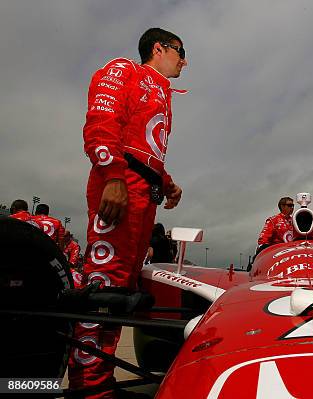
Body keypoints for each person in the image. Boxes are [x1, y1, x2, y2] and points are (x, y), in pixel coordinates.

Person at [69, 27, 187, 398]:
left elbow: (145, 148)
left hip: (144, 193)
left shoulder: (162, 92)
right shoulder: (125, 70)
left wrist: (166, 183)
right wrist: (113, 177)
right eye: (180, 52)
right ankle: (89, 389)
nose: (184, 61)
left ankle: (101, 384)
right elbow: (101, 123)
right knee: (104, 287)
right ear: (159, 48)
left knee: (123, 293)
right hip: (120, 186)